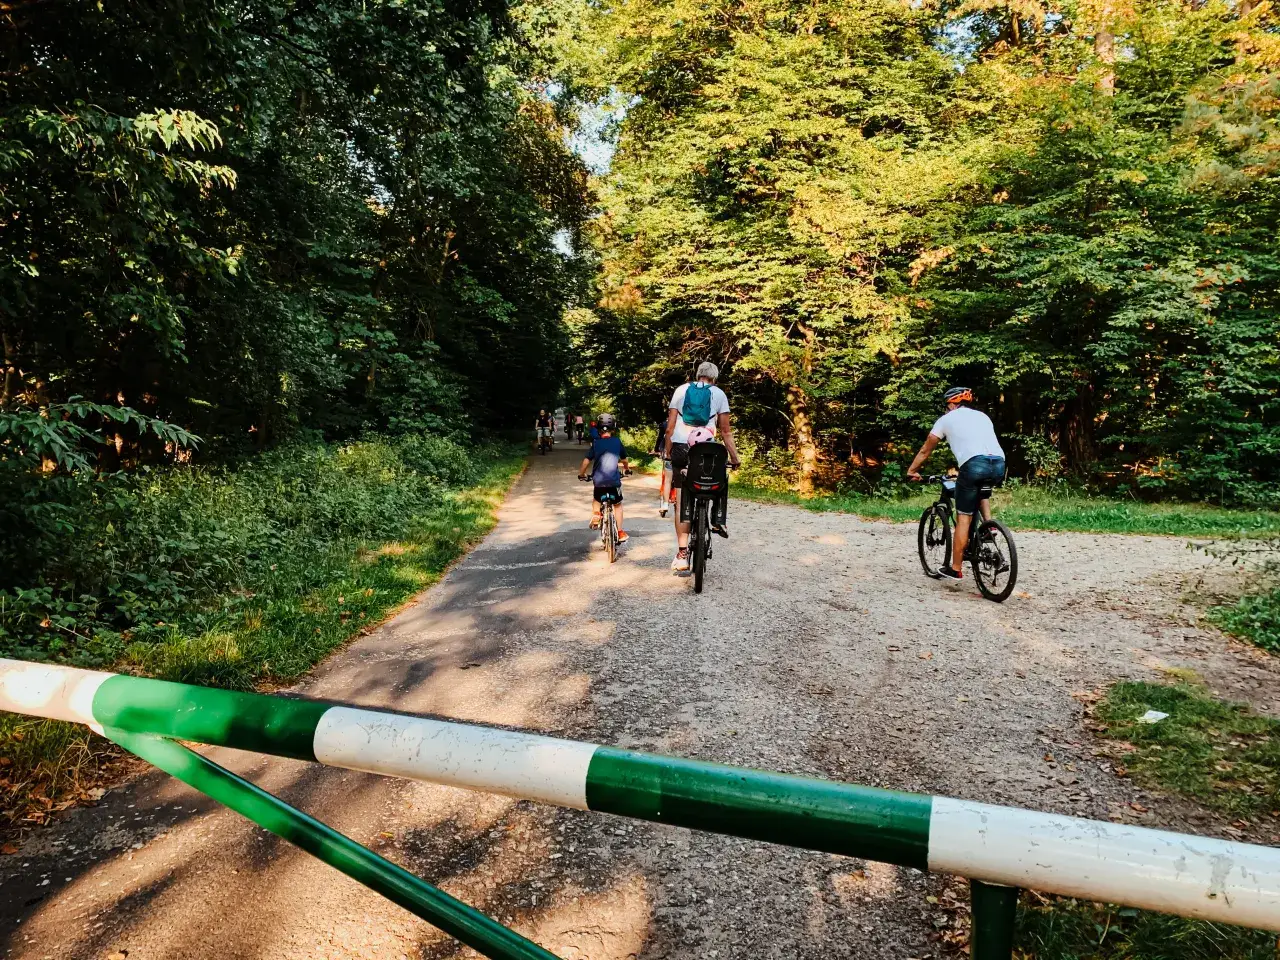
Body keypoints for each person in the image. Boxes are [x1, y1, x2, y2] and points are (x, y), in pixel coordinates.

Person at [906, 387, 1007, 582]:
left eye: (947, 405)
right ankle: (989, 526)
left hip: (974, 465)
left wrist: (912, 471)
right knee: (980, 489)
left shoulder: (946, 419)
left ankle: (956, 569)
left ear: (952, 404)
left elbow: (925, 450)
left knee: (964, 518)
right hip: (998, 464)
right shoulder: (983, 416)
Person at [664, 361, 741, 572]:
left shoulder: (681, 390)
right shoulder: (719, 394)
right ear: (714, 377)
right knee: (719, 480)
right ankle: (717, 519)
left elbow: (670, 428)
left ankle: (682, 554)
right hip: (707, 449)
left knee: (682, 500)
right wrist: (734, 458)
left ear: (697, 374)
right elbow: (725, 431)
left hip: (682, 448)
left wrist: (669, 453)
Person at [578, 413, 629, 543]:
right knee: (617, 505)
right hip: (614, 482)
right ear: (613, 428)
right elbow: (624, 459)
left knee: (596, 499)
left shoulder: (596, 443)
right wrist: (627, 469)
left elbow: (586, 461)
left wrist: (582, 474)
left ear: (599, 429)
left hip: (599, 482)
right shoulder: (617, 442)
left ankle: (596, 514)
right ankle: (620, 532)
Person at [650, 417, 672, 517]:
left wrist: (656, 449)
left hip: (667, 453)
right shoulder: (687, 422)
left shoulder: (665, 424)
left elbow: (660, 437)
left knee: (667, 479)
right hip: (682, 453)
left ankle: (665, 503)